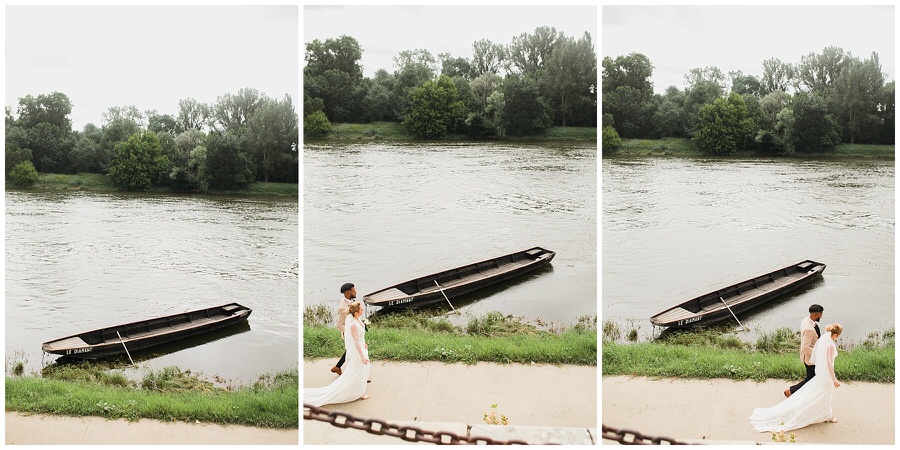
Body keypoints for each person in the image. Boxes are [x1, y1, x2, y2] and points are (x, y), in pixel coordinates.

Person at [749, 323, 843, 432]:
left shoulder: (824, 341)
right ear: (836, 335)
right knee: (826, 395)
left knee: (822, 395)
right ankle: (828, 415)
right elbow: (829, 363)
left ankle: (827, 415)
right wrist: (834, 379)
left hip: (822, 374)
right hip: (826, 375)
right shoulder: (830, 345)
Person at [305, 301, 371, 407]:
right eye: (361, 309)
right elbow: (355, 341)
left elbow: (360, 337)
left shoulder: (358, 320)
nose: (363, 310)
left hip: (362, 347)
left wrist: (365, 343)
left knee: (362, 369)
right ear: (356, 312)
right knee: (358, 369)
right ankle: (359, 393)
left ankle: (360, 390)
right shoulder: (353, 325)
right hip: (358, 351)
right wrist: (362, 356)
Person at [785, 304, 823, 398]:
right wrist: (817, 353)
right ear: (816, 314)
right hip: (810, 358)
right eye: (821, 314)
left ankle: (804, 392)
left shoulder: (806, 320)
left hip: (810, 357)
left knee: (813, 377)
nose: (821, 316)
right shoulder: (810, 329)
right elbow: (805, 348)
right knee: (811, 378)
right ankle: (791, 391)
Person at [330, 282, 356, 375]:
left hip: (354, 331)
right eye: (353, 291)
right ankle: (355, 374)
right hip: (348, 333)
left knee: (351, 351)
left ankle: (337, 367)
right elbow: (338, 325)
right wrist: (349, 331)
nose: (356, 292)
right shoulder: (343, 307)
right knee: (354, 352)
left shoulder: (350, 301)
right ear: (348, 293)